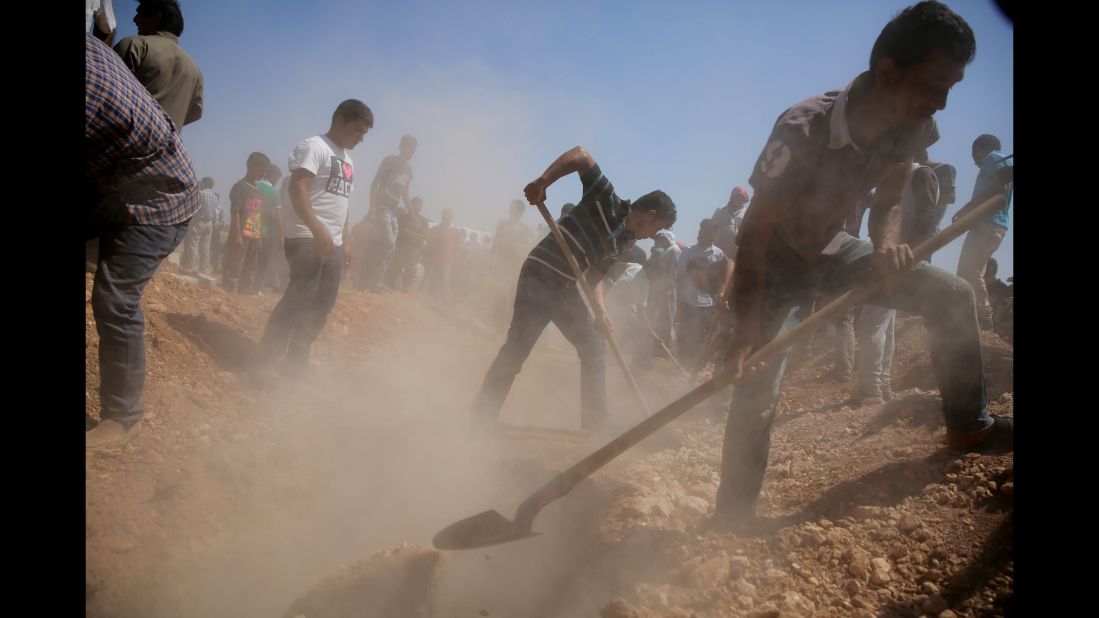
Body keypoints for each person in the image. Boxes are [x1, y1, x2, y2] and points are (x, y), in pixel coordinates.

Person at [715, 1, 1011, 528]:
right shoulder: (802, 129)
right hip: (776, 263)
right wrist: (744, 329)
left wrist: (885, 244)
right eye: (934, 84)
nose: (942, 103)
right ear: (887, 72)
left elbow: (891, 192)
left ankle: (967, 425)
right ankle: (732, 518)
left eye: (952, 88)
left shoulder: (912, 125)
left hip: (834, 249)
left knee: (952, 295)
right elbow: (754, 236)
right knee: (758, 384)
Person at [471, 146, 677, 432]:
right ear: (650, 215)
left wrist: (601, 311)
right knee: (517, 348)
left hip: (564, 288)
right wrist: (543, 182)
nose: (652, 236)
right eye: (657, 229)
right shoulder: (606, 198)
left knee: (594, 346)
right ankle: (481, 416)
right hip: (540, 275)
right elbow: (581, 154)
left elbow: (595, 276)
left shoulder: (623, 242)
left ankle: (595, 422)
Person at [85, 34, 199, 449]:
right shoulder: (100, 46)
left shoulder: (92, 83)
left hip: (159, 200)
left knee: (115, 299)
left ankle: (122, 418)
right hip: (113, 184)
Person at [256, 99, 373, 374]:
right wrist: (317, 228)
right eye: (357, 131)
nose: (361, 139)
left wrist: (345, 240)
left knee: (322, 304)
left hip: (332, 243)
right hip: (306, 236)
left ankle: (295, 361)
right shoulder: (314, 147)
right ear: (339, 121)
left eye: (364, 134)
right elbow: (298, 188)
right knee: (298, 300)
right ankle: (265, 362)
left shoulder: (347, 160)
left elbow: (341, 202)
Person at [113, 0, 203, 131]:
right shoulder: (195, 71)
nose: (134, 19)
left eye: (139, 13)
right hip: (166, 149)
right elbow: (195, 113)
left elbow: (104, 94)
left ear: (156, 17)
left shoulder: (135, 45)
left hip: (120, 146)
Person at [954, 134, 1013, 330]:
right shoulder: (1001, 161)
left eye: (973, 153)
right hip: (991, 225)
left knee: (969, 271)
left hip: (988, 223)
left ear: (979, 148)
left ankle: (983, 314)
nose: (974, 160)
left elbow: (997, 191)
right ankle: (967, 315)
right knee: (967, 271)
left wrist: (966, 211)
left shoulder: (992, 158)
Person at [362, 135, 417, 292]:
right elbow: (375, 183)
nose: (411, 152)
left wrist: (412, 215)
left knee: (390, 246)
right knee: (388, 243)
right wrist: (372, 206)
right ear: (401, 147)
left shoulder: (409, 170)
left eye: (413, 150)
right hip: (382, 206)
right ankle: (374, 280)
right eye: (408, 148)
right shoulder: (389, 161)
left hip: (393, 210)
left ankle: (375, 280)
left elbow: (405, 194)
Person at [676, 219, 727, 363]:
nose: (708, 236)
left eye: (711, 233)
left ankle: (698, 364)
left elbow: (723, 275)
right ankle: (683, 364)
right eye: (706, 232)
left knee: (703, 335)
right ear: (701, 232)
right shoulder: (688, 251)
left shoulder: (718, 253)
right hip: (689, 301)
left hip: (708, 303)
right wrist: (679, 300)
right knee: (686, 334)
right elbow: (680, 276)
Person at [221, 152, 271, 294]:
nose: (264, 173)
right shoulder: (240, 187)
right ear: (251, 166)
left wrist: (258, 234)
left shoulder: (258, 189)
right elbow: (235, 211)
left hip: (252, 232)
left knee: (250, 266)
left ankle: (245, 293)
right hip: (240, 233)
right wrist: (237, 235)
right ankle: (229, 292)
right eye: (261, 169)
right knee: (235, 265)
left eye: (265, 170)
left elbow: (256, 214)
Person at [384, 196, 430, 291]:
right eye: (414, 204)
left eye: (419, 205)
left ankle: (404, 292)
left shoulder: (423, 221)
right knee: (393, 271)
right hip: (400, 249)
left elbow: (426, 236)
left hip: (414, 250)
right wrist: (402, 232)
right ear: (410, 205)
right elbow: (394, 231)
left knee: (410, 273)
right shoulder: (402, 218)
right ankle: (388, 290)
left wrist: (411, 233)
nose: (417, 207)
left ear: (421, 207)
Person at [254, 164, 285, 294]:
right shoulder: (274, 192)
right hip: (267, 233)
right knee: (263, 262)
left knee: (250, 260)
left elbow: (252, 211)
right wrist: (281, 236)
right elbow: (278, 216)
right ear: (273, 176)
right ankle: (256, 289)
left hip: (251, 229)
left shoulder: (254, 185)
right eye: (277, 178)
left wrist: (255, 232)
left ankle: (245, 285)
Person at [179, 177, 219, 275]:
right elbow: (215, 213)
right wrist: (215, 223)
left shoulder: (200, 194)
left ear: (204, 183)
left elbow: (193, 208)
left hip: (198, 221)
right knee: (205, 247)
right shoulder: (214, 196)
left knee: (193, 244)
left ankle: (190, 267)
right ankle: (204, 269)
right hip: (209, 223)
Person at [711, 186, 750, 259]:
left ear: (744, 198)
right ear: (732, 197)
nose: (738, 198)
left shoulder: (746, 213)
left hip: (736, 252)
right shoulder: (720, 210)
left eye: (741, 196)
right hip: (718, 250)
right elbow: (710, 227)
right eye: (737, 196)